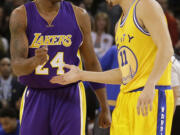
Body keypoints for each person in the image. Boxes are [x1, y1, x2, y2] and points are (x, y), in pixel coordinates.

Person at [50, 0, 174, 135]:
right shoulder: (118, 26)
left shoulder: (146, 5)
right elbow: (124, 74)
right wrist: (81, 74)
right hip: (125, 99)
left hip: (150, 95)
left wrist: (151, 83)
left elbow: (166, 49)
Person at [9, 0, 111, 135]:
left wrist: (104, 106)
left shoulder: (80, 15)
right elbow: (16, 68)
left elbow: (91, 63)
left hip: (70, 96)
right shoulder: (21, 15)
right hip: (35, 95)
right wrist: (34, 61)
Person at [93, 46, 120, 135]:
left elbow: (97, 70)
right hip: (108, 108)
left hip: (126, 109)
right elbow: (97, 69)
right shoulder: (115, 50)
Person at [171, 56, 180, 135]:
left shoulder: (170, 64)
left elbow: (175, 92)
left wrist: (171, 115)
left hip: (177, 106)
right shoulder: (175, 60)